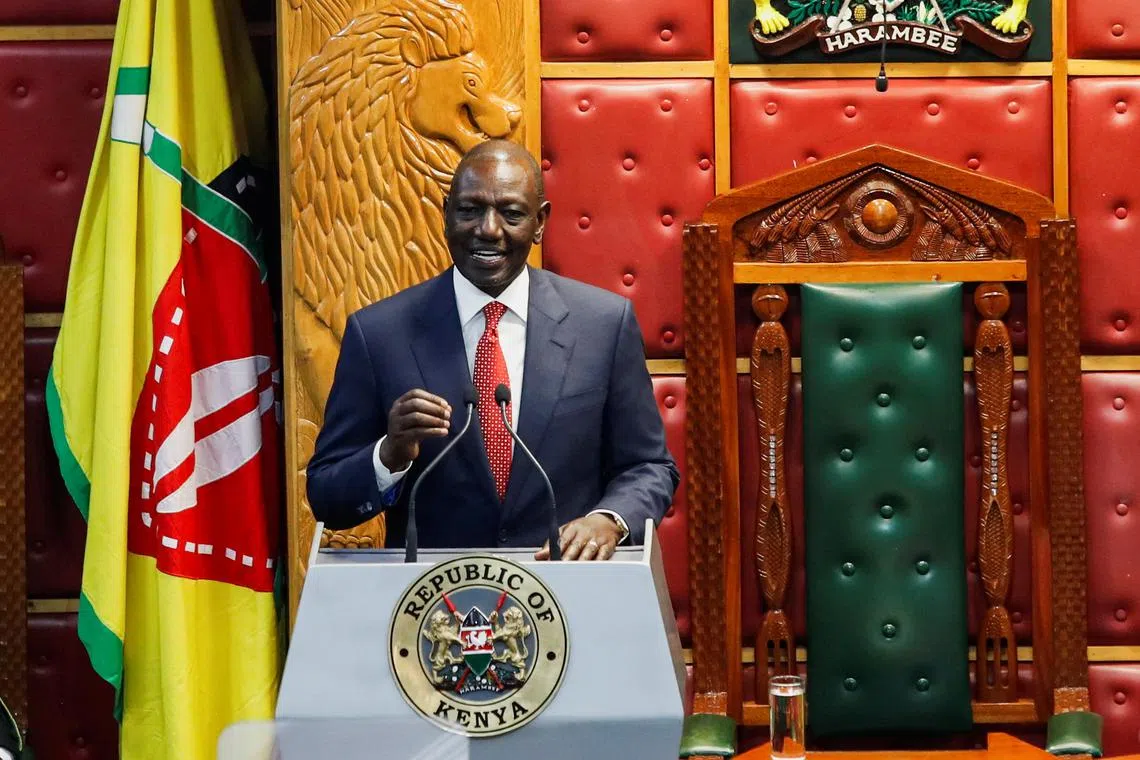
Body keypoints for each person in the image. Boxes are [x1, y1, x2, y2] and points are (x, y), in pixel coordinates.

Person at [306, 140, 679, 560]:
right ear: (446, 213)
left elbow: (650, 467)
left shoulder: (604, 326)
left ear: (540, 223)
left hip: (567, 598)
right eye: (469, 210)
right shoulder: (379, 334)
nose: (488, 229)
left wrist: (609, 519)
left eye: (511, 213)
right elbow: (325, 495)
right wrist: (388, 455)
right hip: (436, 609)